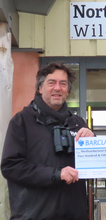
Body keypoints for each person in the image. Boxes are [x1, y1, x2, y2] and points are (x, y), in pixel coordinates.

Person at [1, 62, 94, 220]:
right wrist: (56, 174)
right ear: (40, 88)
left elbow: (93, 166)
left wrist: (93, 143)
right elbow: (11, 166)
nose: (57, 88)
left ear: (68, 91)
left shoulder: (78, 123)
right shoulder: (21, 121)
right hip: (34, 215)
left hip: (74, 213)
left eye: (63, 84)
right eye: (51, 83)